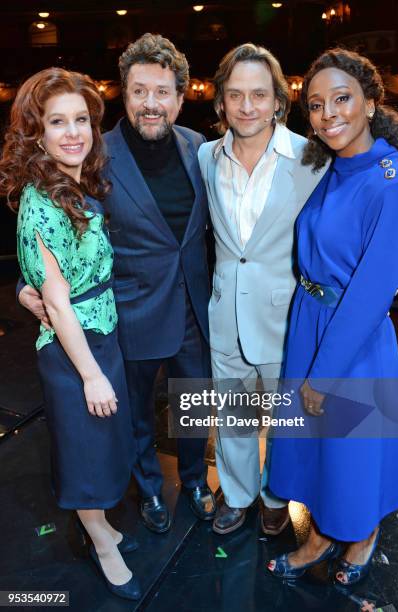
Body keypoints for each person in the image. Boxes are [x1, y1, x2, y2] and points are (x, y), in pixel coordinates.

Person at [18, 34, 216, 533]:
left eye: (163, 91)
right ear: (123, 95)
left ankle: (194, 479)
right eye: (139, 91)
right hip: (130, 310)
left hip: (193, 307)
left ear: (180, 95)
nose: (151, 103)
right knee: (137, 416)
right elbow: (56, 218)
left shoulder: (201, 149)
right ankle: (148, 486)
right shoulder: (94, 151)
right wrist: (30, 281)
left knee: (196, 405)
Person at [267, 48, 398, 583]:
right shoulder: (332, 167)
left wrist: (325, 370)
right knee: (317, 450)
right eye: (315, 104)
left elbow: (374, 290)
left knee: (350, 451)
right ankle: (324, 535)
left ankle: (359, 533)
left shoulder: (392, 183)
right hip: (310, 322)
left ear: (372, 104)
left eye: (342, 99)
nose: (328, 113)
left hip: (348, 338)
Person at [0, 68, 141, 600]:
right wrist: (91, 376)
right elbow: (57, 305)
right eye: (57, 122)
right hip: (72, 350)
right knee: (85, 455)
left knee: (103, 446)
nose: (73, 132)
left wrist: (24, 286)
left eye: (80, 119)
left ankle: (99, 524)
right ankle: (101, 539)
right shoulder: (42, 200)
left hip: (100, 333)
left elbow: (49, 276)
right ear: (36, 132)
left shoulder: (76, 181)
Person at [198, 44, 328, 535]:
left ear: (278, 100)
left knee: (284, 420)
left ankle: (276, 494)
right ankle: (236, 493)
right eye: (235, 95)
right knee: (232, 414)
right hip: (224, 312)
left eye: (258, 94)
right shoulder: (206, 158)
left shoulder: (311, 158)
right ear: (221, 103)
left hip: (284, 315)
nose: (246, 106)